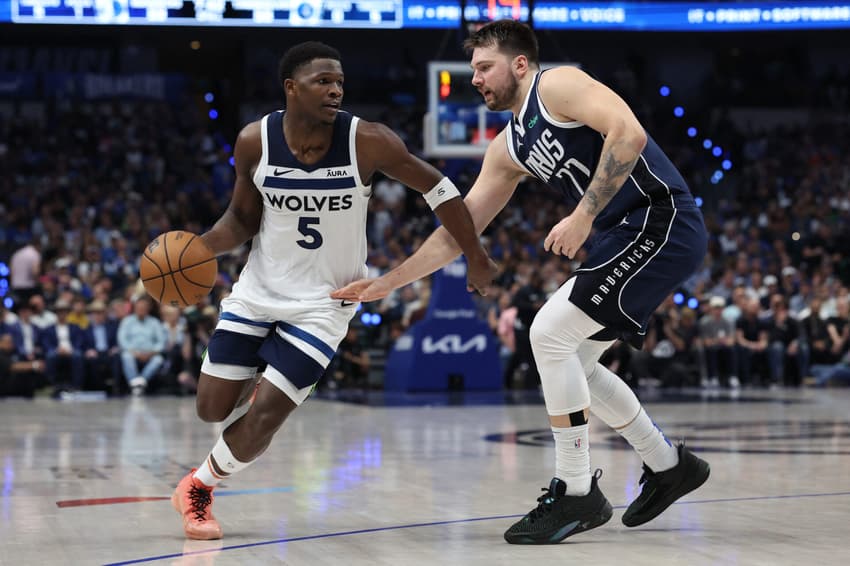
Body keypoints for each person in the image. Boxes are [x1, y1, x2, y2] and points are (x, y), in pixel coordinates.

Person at [333, 20, 710, 544]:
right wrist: (387, 283)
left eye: (483, 67)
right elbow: (457, 233)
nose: (475, 79)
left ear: (519, 64)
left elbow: (629, 133)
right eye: (472, 70)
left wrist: (581, 215)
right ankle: (668, 465)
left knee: (547, 333)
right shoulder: (508, 147)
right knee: (574, 361)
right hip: (623, 232)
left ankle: (577, 490)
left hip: (660, 218)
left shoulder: (557, 85)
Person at [170, 41, 496, 540]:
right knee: (210, 408)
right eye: (323, 80)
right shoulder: (254, 141)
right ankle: (263, 368)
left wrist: (476, 255)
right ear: (291, 88)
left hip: (327, 305)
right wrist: (195, 249)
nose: (335, 89)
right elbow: (240, 219)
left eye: (339, 81)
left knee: (265, 418)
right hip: (258, 293)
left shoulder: (368, 141)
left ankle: (199, 487)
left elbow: (440, 188)